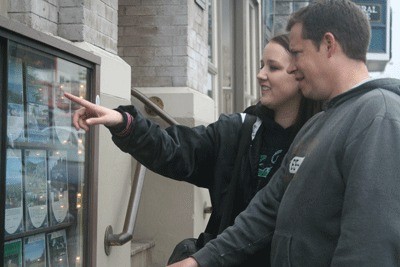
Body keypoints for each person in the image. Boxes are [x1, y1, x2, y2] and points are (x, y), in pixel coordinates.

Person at [166, 0, 400, 266]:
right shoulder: (317, 124)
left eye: (297, 53)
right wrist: (200, 260)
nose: (291, 67)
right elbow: (267, 210)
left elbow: (371, 247)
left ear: (328, 45)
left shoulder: (379, 118)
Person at [64, 33, 321, 266]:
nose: (260, 74)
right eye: (261, 65)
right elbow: (175, 150)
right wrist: (124, 123)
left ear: (300, 75)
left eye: (273, 67)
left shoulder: (323, 138)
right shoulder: (237, 131)